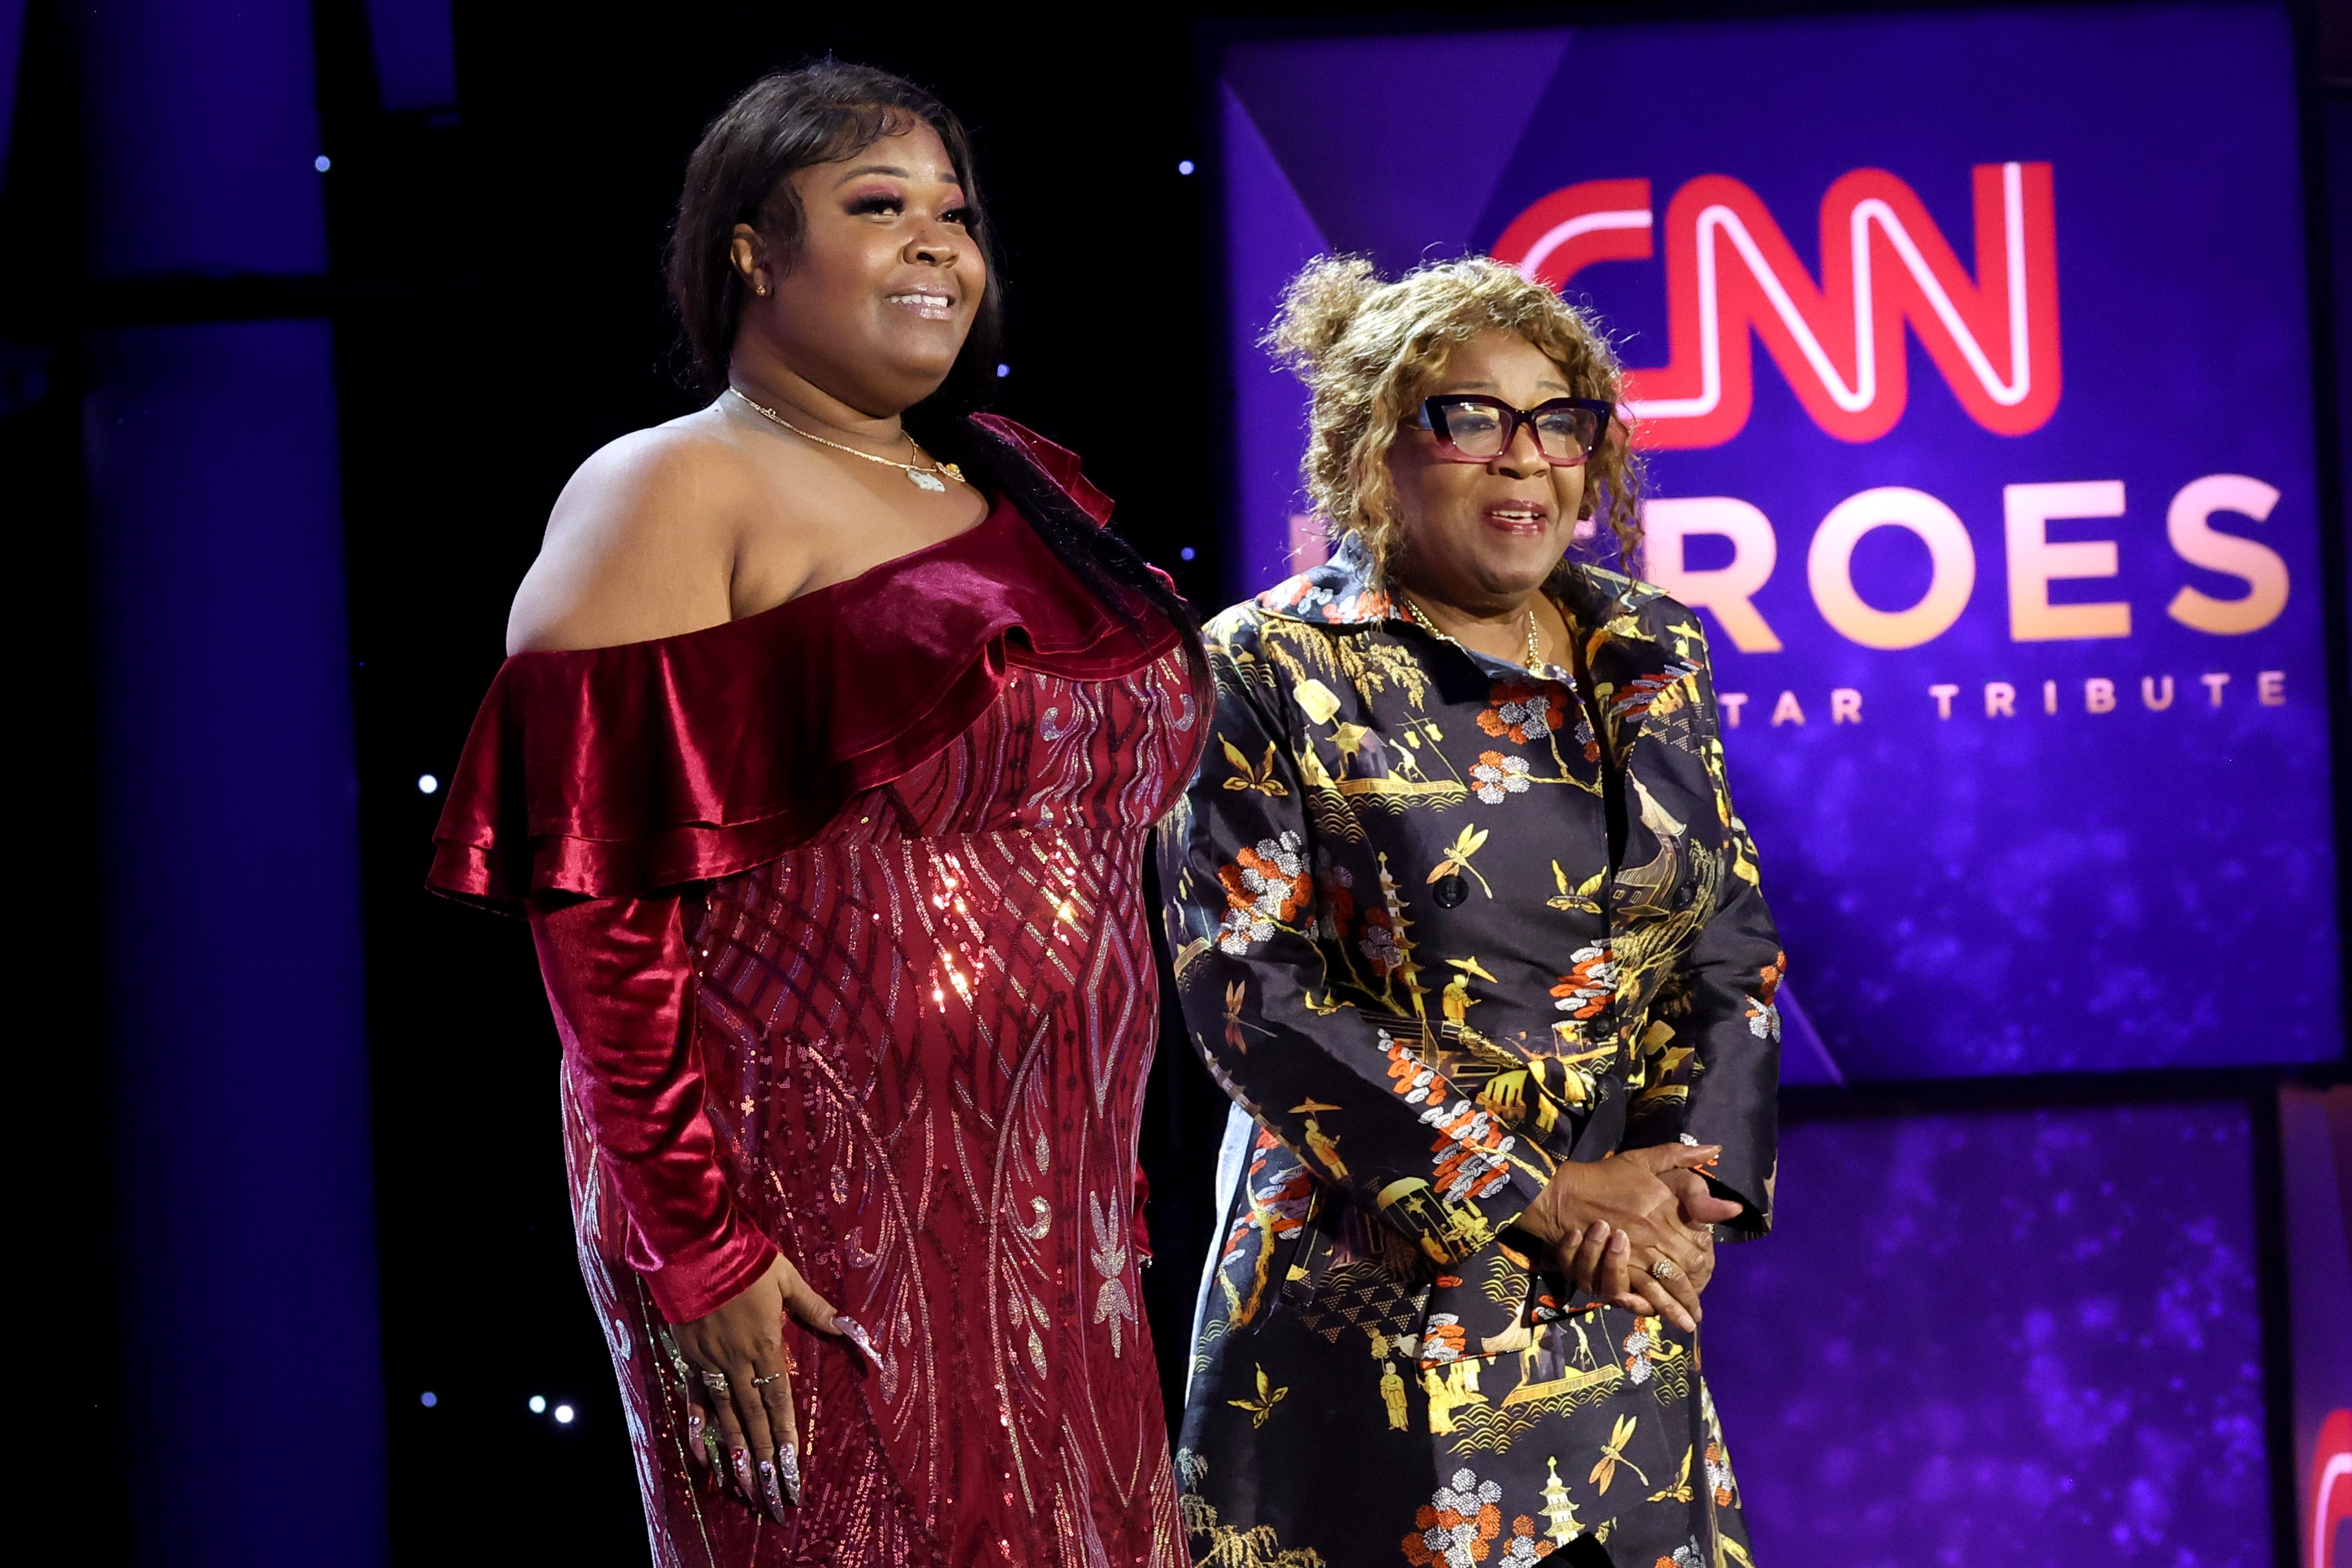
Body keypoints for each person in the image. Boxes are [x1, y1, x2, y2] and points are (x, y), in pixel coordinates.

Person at [429, 63, 1203, 1567]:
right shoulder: (671, 487)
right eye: (878, 207)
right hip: (798, 1211)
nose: (937, 246)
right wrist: (693, 1236)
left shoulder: (1017, 479)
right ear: (752, 251)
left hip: (1051, 1204)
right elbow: (597, 906)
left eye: (954, 215)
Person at [1157, 255, 1783, 1567]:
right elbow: (1252, 994)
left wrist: (1685, 1200)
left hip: (1621, 1289)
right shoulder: (1264, 666)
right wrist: (1545, 1196)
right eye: (1469, 417)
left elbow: (1721, 942)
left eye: (1557, 420)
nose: (1524, 458)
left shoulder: (1649, 646)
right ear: (1371, 447)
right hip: (1377, 1309)